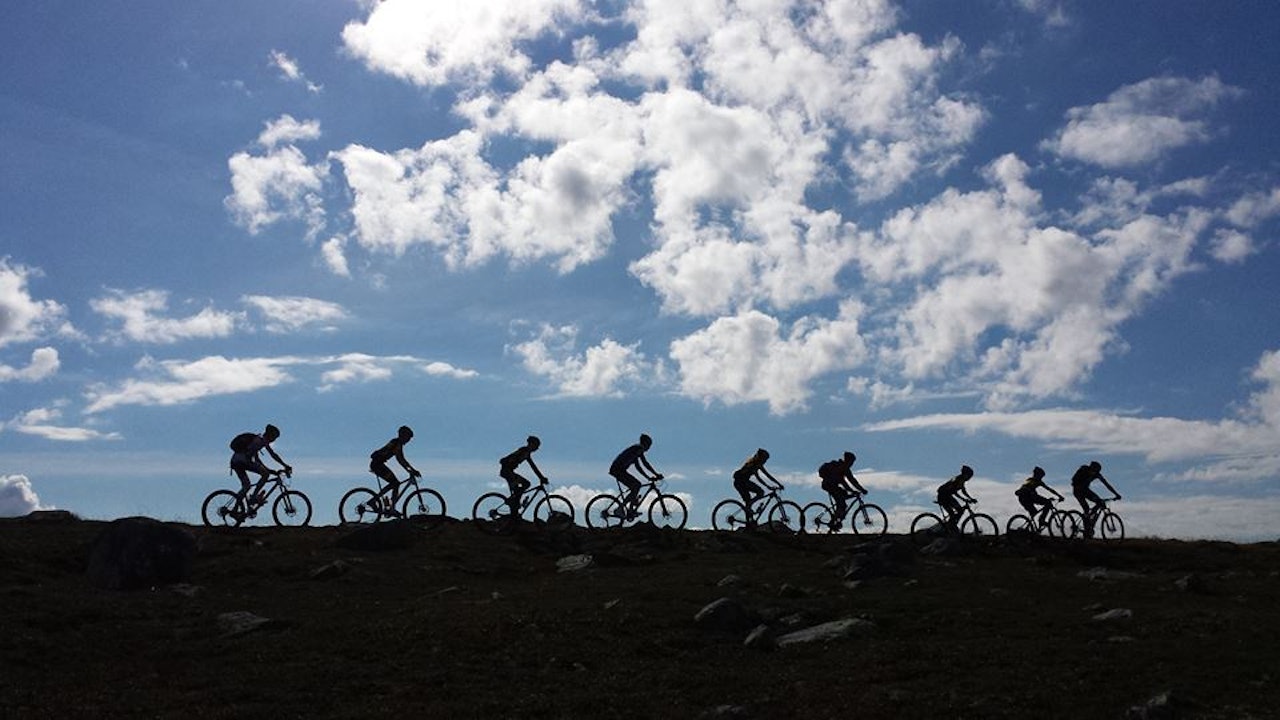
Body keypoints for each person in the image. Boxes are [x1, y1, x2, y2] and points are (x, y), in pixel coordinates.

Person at [229, 424, 292, 514]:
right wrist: (284, 465)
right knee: (265, 474)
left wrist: (268, 469)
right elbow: (272, 455)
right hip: (242, 462)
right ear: (270, 435)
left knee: (246, 486)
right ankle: (253, 497)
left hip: (236, 462)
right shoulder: (261, 441)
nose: (274, 440)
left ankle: (235, 510)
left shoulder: (258, 440)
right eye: (274, 437)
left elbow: (256, 459)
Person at [609, 433, 663, 518]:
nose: (649, 448)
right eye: (649, 445)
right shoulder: (639, 448)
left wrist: (648, 477)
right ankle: (621, 508)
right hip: (618, 470)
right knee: (636, 486)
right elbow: (645, 464)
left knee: (637, 486)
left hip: (618, 470)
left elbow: (639, 467)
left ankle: (631, 509)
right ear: (646, 444)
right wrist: (656, 474)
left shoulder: (636, 450)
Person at [370, 425, 420, 516]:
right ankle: (387, 507)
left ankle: (388, 506)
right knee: (395, 484)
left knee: (395, 484)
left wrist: (411, 470)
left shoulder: (397, 443)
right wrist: (412, 470)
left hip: (377, 464)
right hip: (377, 465)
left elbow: (401, 459)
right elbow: (401, 460)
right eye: (408, 437)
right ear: (403, 436)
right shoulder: (397, 443)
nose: (408, 440)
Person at [499, 435, 548, 516]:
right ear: (531, 444)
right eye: (536, 446)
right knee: (525, 485)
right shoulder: (523, 450)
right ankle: (514, 506)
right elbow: (510, 457)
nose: (536, 449)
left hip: (508, 472)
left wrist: (541, 477)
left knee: (519, 490)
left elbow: (533, 467)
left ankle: (514, 509)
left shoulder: (526, 453)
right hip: (507, 472)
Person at [818, 451, 867, 529]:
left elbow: (853, 481)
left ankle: (837, 520)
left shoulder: (846, 469)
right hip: (829, 485)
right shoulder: (840, 468)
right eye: (852, 462)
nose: (852, 464)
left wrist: (861, 489)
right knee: (841, 503)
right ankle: (833, 522)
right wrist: (853, 491)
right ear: (848, 461)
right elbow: (844, 483)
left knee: (844, 498)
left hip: (833, 486)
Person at [1070, 460, 1121, 536]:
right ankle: (1087, 527)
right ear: (1091, 468)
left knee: (1100, 502)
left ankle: (1089, 521)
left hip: (1086, 490)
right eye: (1093, 470)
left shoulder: (1097, 474)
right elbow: (1073, 480)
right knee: (1086, 508)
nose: (1094, 472)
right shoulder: (1083, 470)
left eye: (1096, 471)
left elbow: (1107, 484)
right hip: (1078, 491)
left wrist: (1116, 494)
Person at [733, 448, 780, 524]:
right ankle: (749, 513)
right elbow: (759, 478)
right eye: (765, 459)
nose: (765, 461)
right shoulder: (753, 464)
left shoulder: (756, 464)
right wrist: (768, 486)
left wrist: (778, 484)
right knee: (760, 492)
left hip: (741, 482)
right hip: (741, 482)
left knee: (748, 502)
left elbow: (768, 475)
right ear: (761, 458)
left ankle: (749, 522)